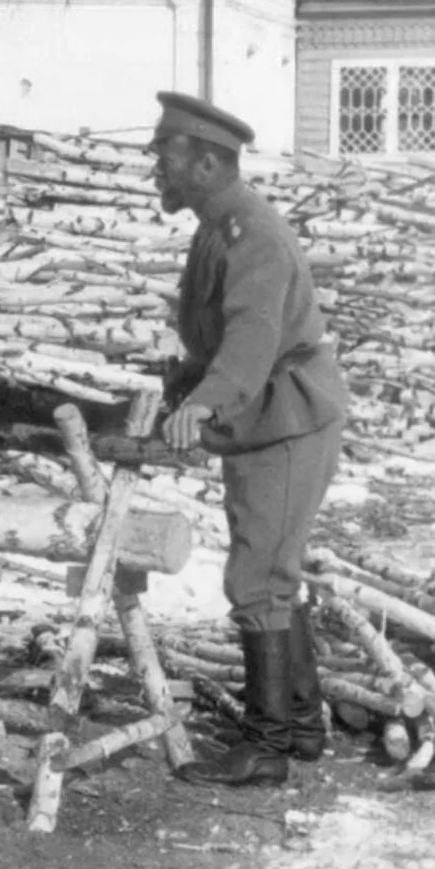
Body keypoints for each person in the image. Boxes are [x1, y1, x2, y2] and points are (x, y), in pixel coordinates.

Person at [146, 91, 350, 788]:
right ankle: (299, 723)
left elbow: (253, 338)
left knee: (258, 577)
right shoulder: (217, 225)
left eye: (167, 159)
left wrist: (201, 405)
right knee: (274, 572)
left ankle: (264, 747)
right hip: (270, 413)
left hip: (287, 413)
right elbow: (218, 333)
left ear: (206, 163)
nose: (157, 171)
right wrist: (184, 384)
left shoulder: (251, 233)